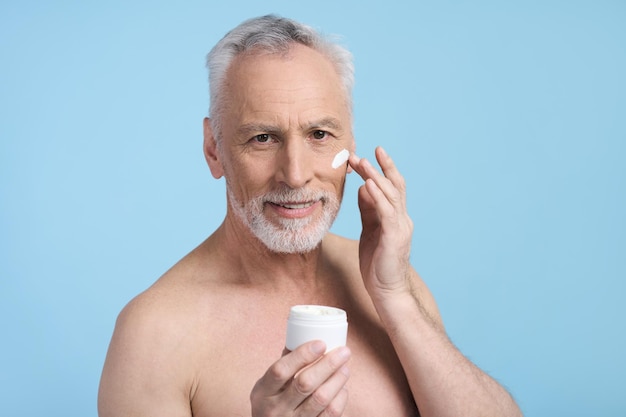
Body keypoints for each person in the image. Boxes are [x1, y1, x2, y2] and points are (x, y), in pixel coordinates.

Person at [98, 15, 522, 417]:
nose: (296, 175)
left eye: (319, 134)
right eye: (262, 138)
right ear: (214, 149)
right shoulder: (154, 334)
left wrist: (396, 299)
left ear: (350, 140)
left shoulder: (390, 284)